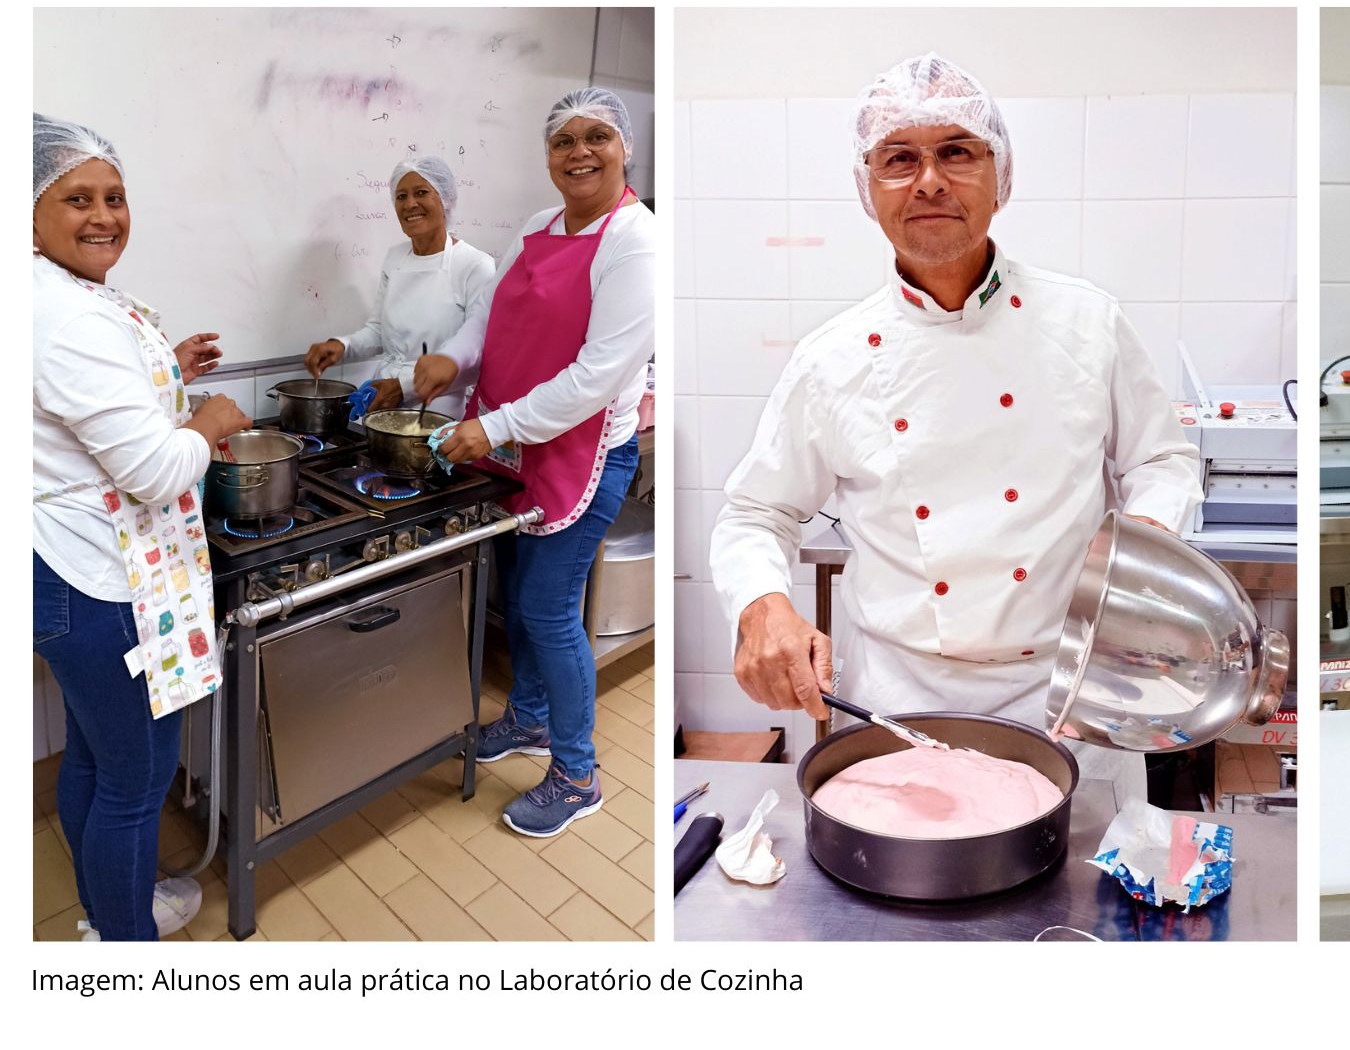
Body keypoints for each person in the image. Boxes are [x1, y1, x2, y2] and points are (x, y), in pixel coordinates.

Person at [708, 54, 1203, 802]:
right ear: (868, 188)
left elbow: (1162, 460)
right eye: (899, 159)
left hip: (1071, 692)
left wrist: (1135, 562)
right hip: (898, 700)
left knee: (1084, 900)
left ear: (999, 176)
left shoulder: (1087, 323)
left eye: (956, 152)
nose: (929, 180)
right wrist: (763, 605)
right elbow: (756, 510)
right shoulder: (831, 359)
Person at [32, 114, 251, 939]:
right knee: (136, 778)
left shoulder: (51, 294)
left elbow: (87, 412)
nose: (104, 215)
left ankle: (107, 917)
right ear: (28, 208)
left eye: (115, 196)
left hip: (64, 573)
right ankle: (125, 953)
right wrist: (211, 423)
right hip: (98, 584)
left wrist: (170, 375)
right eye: (77, 197)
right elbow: (154, 470)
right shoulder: (68, 320)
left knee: (94, 757)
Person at [412, 88, 653, 838]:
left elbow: (600, 374)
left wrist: (494, 427)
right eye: (564, 140)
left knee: (550, 612)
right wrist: (453, 360)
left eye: (598, 137)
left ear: (626, 149)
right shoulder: (537, 226)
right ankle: (530, 719)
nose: (579, 152)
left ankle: (579, 775)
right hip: (521, 446)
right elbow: (490, 315)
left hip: (584, 454)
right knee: (519, 600)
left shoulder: (636, 241)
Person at [301, 155, 496, 416]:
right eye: (401, 196)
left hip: (438, 411)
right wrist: (341, 345)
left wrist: (404, 388)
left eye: (421, 193)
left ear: (445, 199)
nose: (410, 204)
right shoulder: (395, 258)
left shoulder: (475, 265)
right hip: (384, 400)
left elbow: (479, 361)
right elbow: (378, 330)